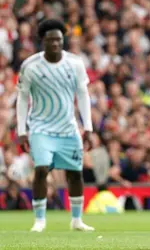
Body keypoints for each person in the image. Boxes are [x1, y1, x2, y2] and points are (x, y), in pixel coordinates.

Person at [16, 19, 94, 232]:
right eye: (50, 40)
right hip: (40, 127)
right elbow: (22, 99)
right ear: (43, 41)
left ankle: (77, 220)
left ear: (63, 40)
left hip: (68, 128)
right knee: (41, 169)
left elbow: (83, 94)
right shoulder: (30, 66)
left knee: (75, 174)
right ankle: (39, 220)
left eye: (58, 39)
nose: (55, 44)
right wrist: (22, 131)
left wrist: (88, 127)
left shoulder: (75, 63)